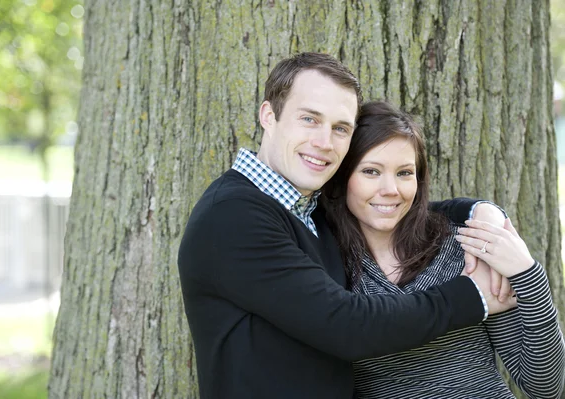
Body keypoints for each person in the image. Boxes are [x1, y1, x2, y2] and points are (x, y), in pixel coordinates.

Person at [178, 52, 512, 399]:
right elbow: (348, 326)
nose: (324, 142)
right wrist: (474, 295)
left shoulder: (306, 210)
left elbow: (397, 208)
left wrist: (480, 213)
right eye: (309, 119)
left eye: (340, 128)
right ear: (269, 115)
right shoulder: (232, 217)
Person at [322, 100, 565, 399]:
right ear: (343, 177)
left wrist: (530, 277)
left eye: (404, 173)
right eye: (371, 171)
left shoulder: (464, 248)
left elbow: (545, 387)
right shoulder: (326, 262)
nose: (391, 190)